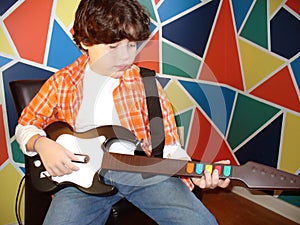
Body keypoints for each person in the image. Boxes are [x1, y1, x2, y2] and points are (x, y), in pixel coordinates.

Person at [15, 0, 230, 224]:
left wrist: (196, 173)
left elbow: (170, 147)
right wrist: (42, 144)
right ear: (84, 41)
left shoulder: (146, 82)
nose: (125, 57)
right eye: (113, 47)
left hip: (142, 172)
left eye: (132, 45)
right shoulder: (62, 83)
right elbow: (26, 124)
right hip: (81, 181)